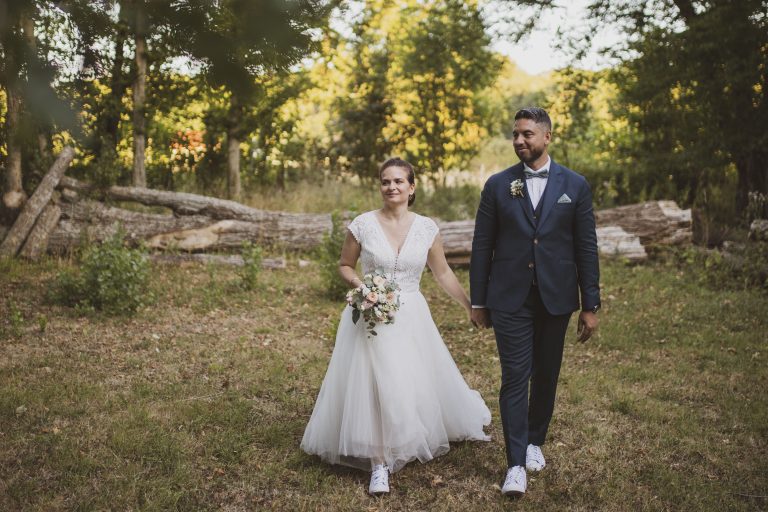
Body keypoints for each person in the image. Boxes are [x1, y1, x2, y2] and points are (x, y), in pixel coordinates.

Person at [301, 157, 491, 496]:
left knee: (407, 379)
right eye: (386, 181)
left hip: (412, 313)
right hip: (372, 313)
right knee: (374, 383)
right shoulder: (362, 224)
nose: (392, 187)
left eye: (399, 181)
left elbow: (443, 272)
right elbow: (345, 265)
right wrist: (362, 288)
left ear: (411, 187)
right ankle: (379, 463)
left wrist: (470, 306)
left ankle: (408, 432)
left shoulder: (427, 228)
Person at [469, 107, 601, 496]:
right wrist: (479, 300)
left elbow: (586, 247)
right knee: (514, 377)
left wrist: (590, 304)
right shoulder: (497, 185)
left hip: (556, 296)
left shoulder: (575, 185)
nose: (519, 141)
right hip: (509, 298)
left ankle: (534, 442)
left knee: (546, 374)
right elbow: (482, 246)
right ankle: (514, 465)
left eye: (527, 134)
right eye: (515, 135)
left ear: (546, 137)